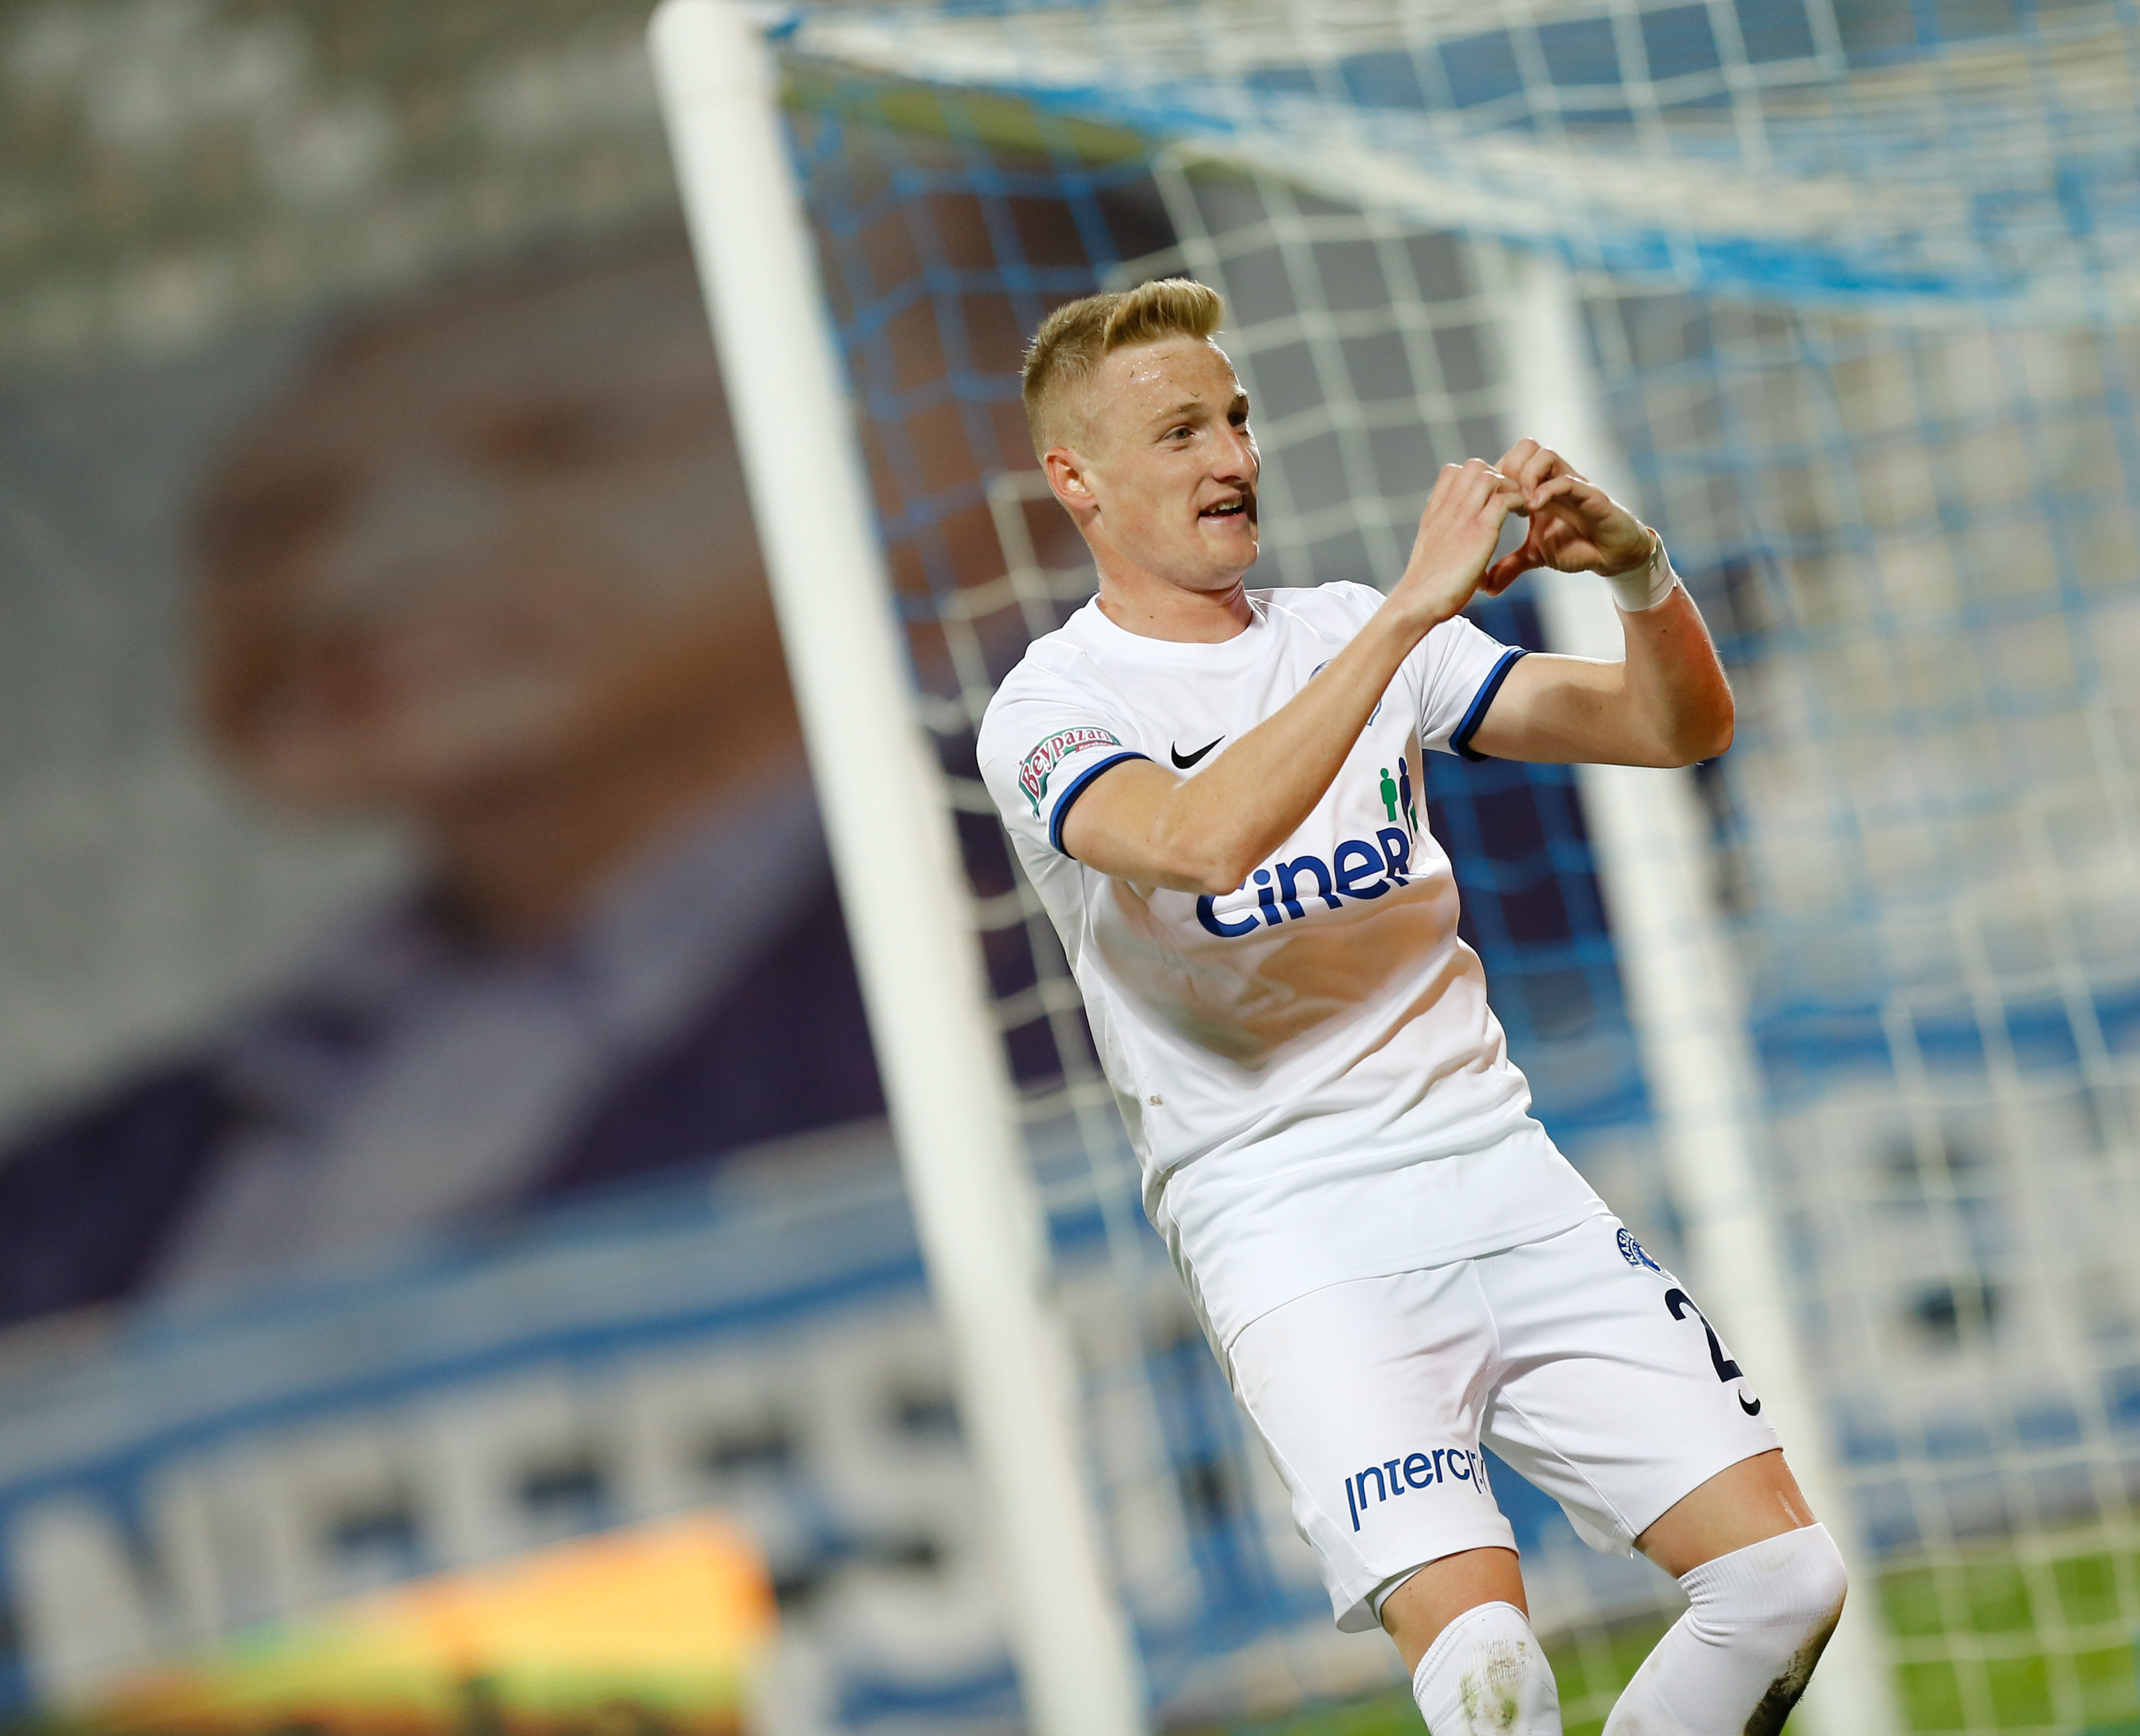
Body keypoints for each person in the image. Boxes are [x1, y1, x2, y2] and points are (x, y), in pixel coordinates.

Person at [976, 279, 1846, 1734]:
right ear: (1077, 480)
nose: (1232, 457)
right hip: (1293, 1228)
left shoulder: (1346, 629)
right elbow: (1200, 841)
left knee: (1780, 1580)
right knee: (1492, 1674)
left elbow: (1673, 725)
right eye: (1181, 431)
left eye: (1236, 418)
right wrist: (1399, 618)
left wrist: (1638, 574)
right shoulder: (1051, 708)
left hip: (1503, 1171)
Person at [0, 235, 883, 1327]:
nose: (342, 577)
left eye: (570, 444)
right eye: (265, 525)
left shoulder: (1039, 943)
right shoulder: (112, 1171)